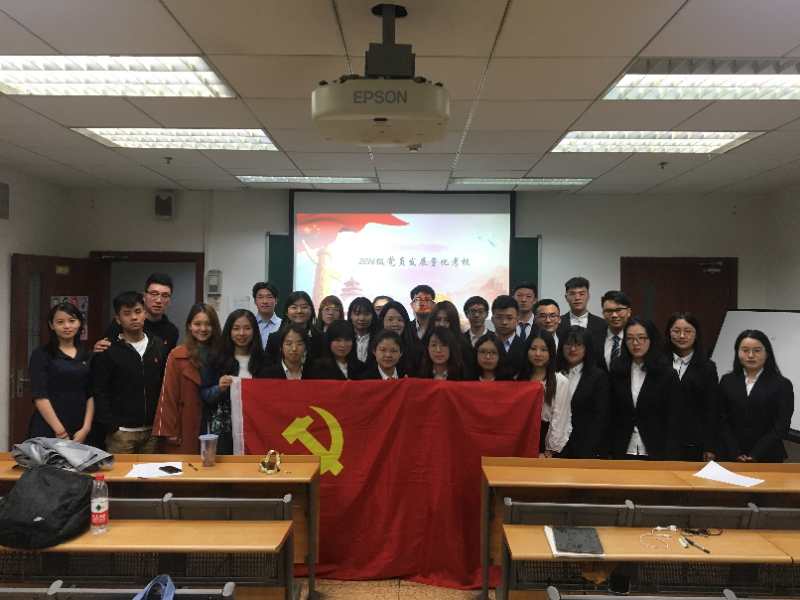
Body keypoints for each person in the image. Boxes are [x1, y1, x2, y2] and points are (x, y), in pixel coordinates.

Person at [92, 291, 166, 454]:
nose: (134, 317)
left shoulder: (158, 345)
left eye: (138, 311)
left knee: (151, 471)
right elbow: (100, 391)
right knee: (120, 472)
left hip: (152, 432)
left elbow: (164, 385)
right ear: (118, 319)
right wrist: (111, 427)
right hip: (121, 434)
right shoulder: (108, 349)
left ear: (145, 313)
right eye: (127, 313)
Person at [608, 317, 682, 460]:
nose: (635, 343)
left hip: (656, 449)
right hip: (622, 447)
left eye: (641, 338)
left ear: (651, 340)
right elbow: (611, 411)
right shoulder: (617, 369)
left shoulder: (666, 373)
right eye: (630, 338)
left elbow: (674, 418)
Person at [153, 303, 222, 454]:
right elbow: (168, 396)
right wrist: (169, 430)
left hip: (215, 420)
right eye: (197, 324)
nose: (203, 329)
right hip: (186, 420)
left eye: (208, 324)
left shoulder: (223, 353)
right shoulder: (177, 355)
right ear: (189, 326)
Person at [717, 330, 794, 463]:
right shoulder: (727, 380)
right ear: (737, 352)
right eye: (745, 350)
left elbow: (782, 425)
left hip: (767, 455)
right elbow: (721, 418)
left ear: (767, 353)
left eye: (757, 350)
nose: (751, 355)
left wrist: (755, 454)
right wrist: (735, 452)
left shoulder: (782, 384)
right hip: (729, 453)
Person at [28, 302, 94, 443]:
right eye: (60, 322)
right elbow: (40, 396)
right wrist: (61, 432)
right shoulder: (41, 354)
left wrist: (86, 428)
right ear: (51, 325)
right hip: (49, 427)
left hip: (81, 429)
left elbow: (91, 394)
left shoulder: (87, 354)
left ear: (80, 323)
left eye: (72, 321)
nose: (67, 326)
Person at [200, 309, 263, 454]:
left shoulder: (264, 361)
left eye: (247, 328)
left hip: (256, 429)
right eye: (236, 328)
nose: (241, 333)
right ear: (229, 331)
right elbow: (204, 395)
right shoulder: (215, 359)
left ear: (254, 331)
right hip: (224, 432)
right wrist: (218, 388)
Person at [665, 312, 719, 461]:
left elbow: (712, 408)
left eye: (688, 331)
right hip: (662, 438)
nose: (682, 336)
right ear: (669, 333)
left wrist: (710, 446)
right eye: (676, 331)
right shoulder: (659, 362)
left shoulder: (707, 367)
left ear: (696, 334)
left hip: (694, 442)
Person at [94, 273, 180, 357]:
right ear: (144, 296)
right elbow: (103, 349)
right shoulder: (124, 323)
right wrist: (96, 350)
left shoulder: (171, 331)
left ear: (169, 300)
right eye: (154, 294)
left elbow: (168, 362)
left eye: (165, 295)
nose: (158, 300)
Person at [556, 326, 610, 458]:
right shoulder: (554, 373)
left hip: (585, 449)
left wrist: (588, 449)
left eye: (578, 345)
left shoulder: (598, 377)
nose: (572, 349)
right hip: (554, 449)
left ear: (587, 348)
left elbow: (600, 418)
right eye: (568, 344)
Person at [517, 329, 569, 456]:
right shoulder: (519, 378)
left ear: (551, 352)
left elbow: (560, 418)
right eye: (533, 349)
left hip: (546, 437)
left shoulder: (560, 381)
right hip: (521, 436)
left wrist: (550, 449)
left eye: (544, 350)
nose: (538, 354)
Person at [265, 291, 323, 365]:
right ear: (286, 312)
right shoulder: (275, 338)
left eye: (304, 307)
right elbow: (268, 367)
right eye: (294, 307)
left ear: (311, 310)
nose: (299, 311)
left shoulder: (321, 337)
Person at [557, 277, 607, 354]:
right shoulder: (557, 323)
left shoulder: (602, 324)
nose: (577, 298)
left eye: (582, 294)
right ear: (566, 297)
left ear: (588, 296)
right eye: (572, 294)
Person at [432, 300, 475, 378]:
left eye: (447, 320)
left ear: (453, 322)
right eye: (438, 320)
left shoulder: (464, 346)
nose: (442, 324)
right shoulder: (425, 343)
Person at [378, 300, 421, 375]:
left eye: (400, 320)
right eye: (390, 319)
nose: (395, 324)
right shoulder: (375, 345)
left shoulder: (415, 347)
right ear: (382, 321)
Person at [491, 295, 526, 376]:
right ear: (492, 320)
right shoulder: (483, 343)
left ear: (517, 320)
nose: (504, 322)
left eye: (509, 318)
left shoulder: (526, 346)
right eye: (499, 317)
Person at [599, 290, 632, 371]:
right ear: (603, 313)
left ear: (629, 312)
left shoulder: (637, 338)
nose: (614, 315)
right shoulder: (594, 338)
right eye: (609, 311)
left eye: (618, 310)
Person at [348, 297, 379, 363]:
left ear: (373, 316)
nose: (362, 318)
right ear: (350, 315)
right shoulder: (344, 336)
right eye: (357, 314)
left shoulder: (379, 338)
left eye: (366, 314)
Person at [253, 281, 281, 349]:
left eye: (269, 297)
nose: (265, 301)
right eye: (260, 297)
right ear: (255, 301)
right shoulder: (250, 324)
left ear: (276, 300)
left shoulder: (283, 325)